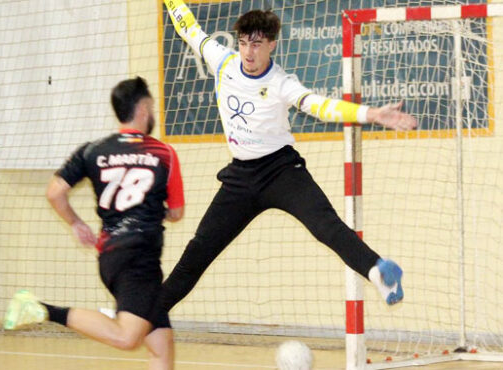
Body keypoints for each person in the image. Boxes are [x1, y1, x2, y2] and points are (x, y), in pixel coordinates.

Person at [158, 0, 416, 314]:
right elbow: (190, 29)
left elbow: (320, 106)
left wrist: (371, 114)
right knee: (198, 251)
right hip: (240, 177)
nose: (248, 53)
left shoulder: (281, 83)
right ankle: (148, 312)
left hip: (281, 171)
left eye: (256, 44)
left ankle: (379, 272)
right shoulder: (223, 62)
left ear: (271, 45)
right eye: (242, 43)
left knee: (326, 226)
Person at [4, 76, 185, 370]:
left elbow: (54, 192)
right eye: (151, 107)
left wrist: (76, 223)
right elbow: (177, 213)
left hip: (112, 255)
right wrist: (156, 212)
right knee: (127, 337)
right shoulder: (164, 153)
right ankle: (42, 310)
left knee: (161, 344)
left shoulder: (93, 150)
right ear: (143, 108)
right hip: (140, 259)